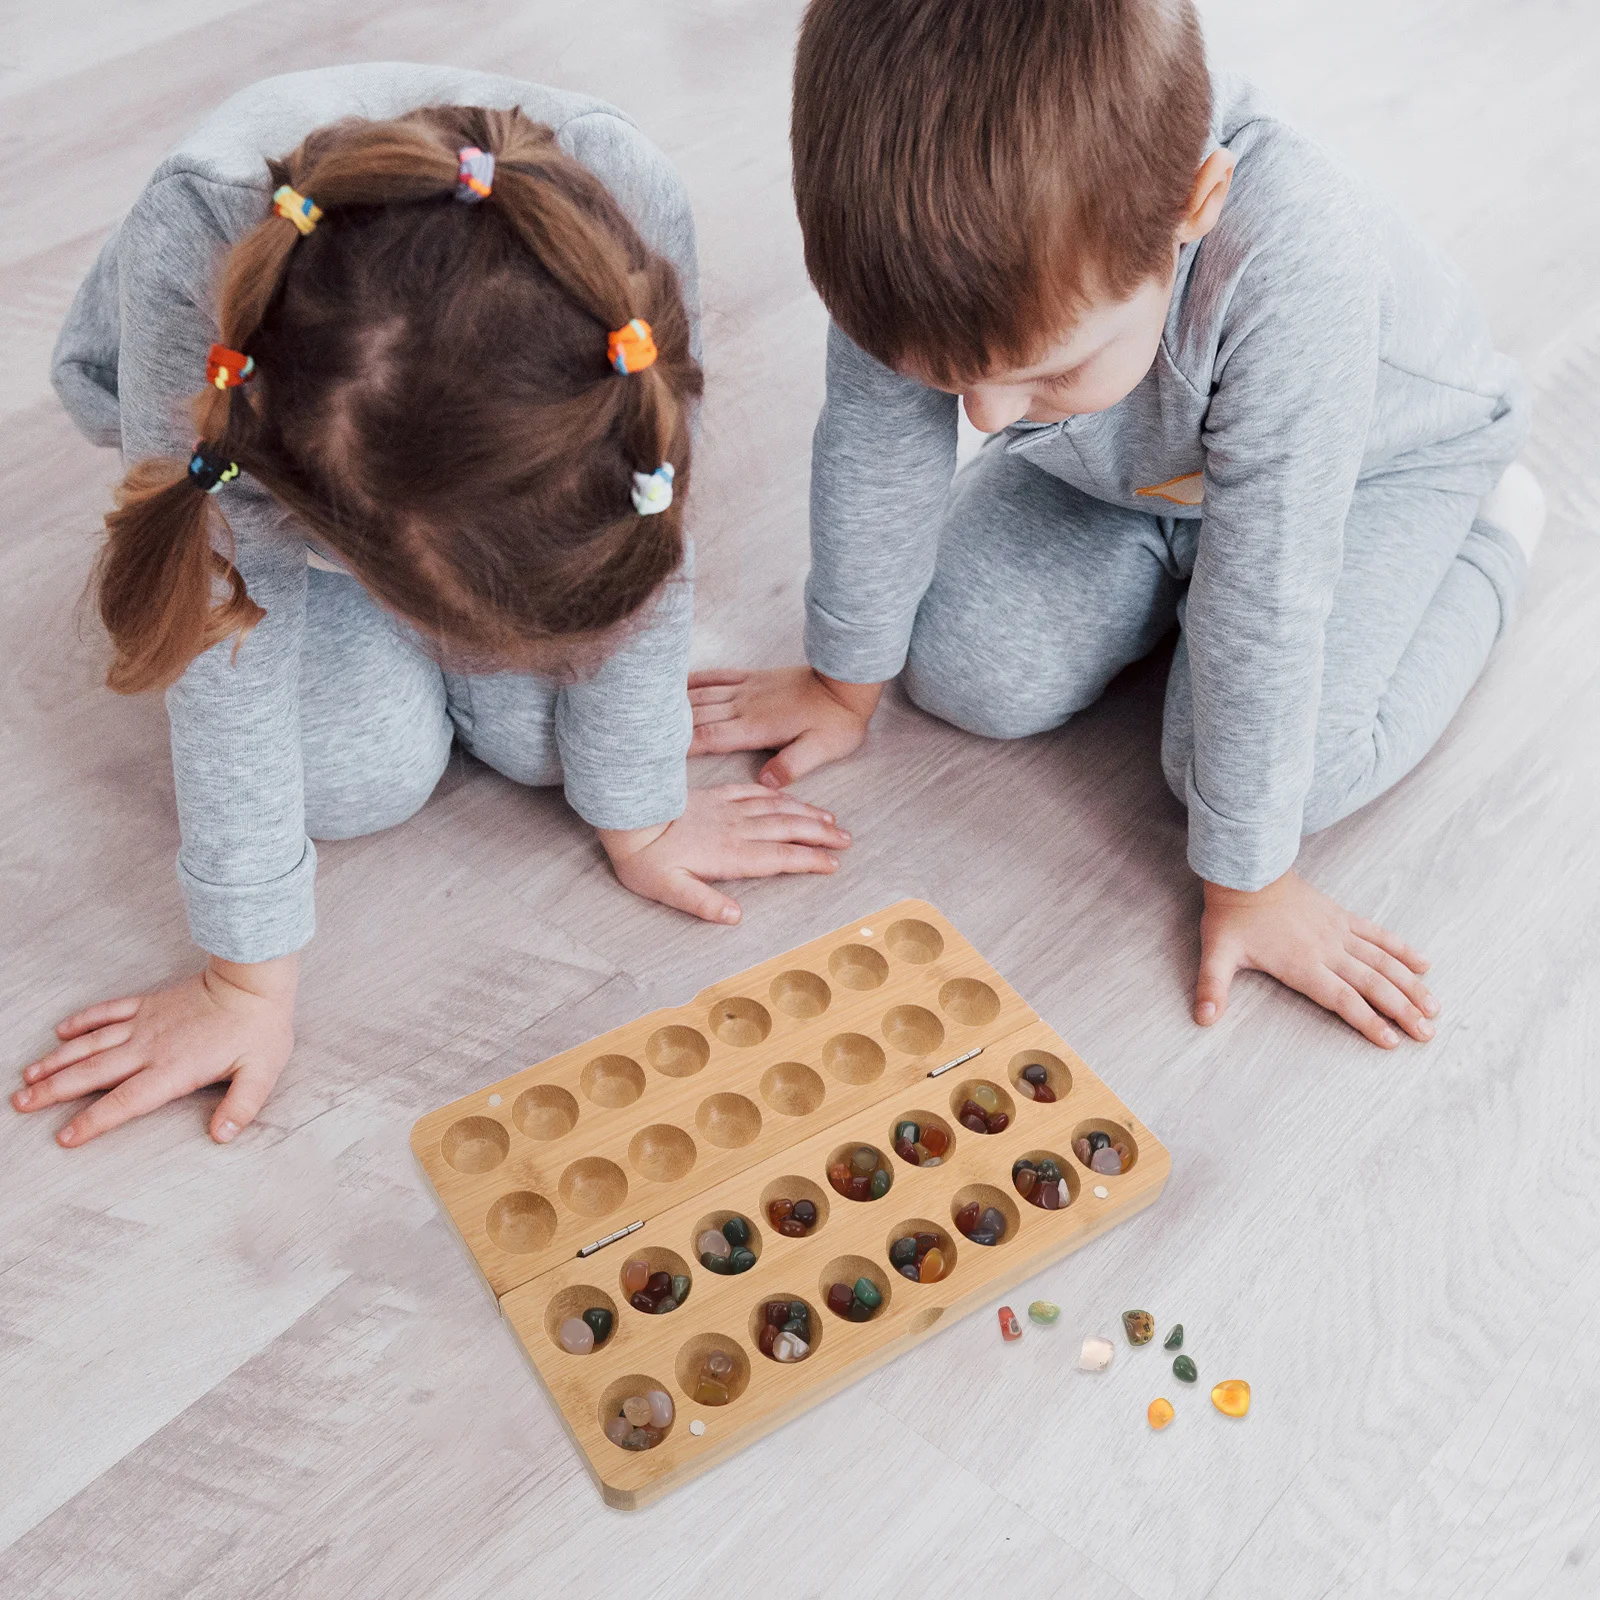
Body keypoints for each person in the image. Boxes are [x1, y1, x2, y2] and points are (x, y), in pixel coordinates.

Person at [19, 65, 849, 1149]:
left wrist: (639, 804)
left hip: (412, 470)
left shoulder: (627, 218)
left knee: (555, 747)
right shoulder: (200, 252)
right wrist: (244, 981)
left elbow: (648, 532)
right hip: (237, 431)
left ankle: (488, 605)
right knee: (363, 774)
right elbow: (221, 638)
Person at [691, 0, 1543, 1049]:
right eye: (956, 380)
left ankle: (1496, 529)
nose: (985, 417)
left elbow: (1269, 592)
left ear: (1196, 205)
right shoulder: (906, 227)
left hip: (1374, 468)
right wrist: (842, 676)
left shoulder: (1296, 262)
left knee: (1271, 777)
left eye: (1041, 369)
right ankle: (1166, 573)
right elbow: (876, 444)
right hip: (1133, 467)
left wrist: (1251, 883)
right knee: (963, 666)